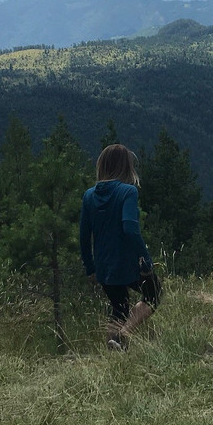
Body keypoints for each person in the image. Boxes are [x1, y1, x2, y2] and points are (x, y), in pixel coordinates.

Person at [80, 143, 161, 350]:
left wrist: (91, 268)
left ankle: (113, 350)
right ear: (126, 166)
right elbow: (130, 228)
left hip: (104, 265)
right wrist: (145, 260)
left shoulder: (89, 196)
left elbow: (83, 236)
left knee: (118, 307)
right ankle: (125, 334)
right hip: (128, 262)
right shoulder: (128, 192)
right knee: (154, 295)